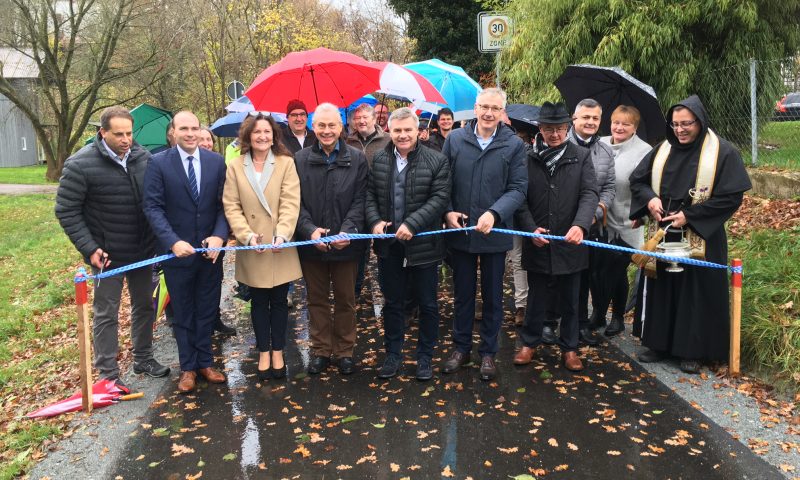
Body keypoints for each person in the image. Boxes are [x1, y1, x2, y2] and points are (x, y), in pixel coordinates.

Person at [629, 95, 751, 374]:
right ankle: (658, 343)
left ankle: (693, 351)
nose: (680, 130)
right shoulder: (662, 150)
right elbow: (638, 180)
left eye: (686, 124)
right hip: (663, 228)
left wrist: (690, 215)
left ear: (700, 121)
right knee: (662, 287)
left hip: (701, 232)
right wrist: (650, 200)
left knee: (695, 291)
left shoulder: (723, 153)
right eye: (675, 124)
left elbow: (731, 197)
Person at [55, 106, 169, 390]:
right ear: (102, 132)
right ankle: (108, 374)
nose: (126, 139)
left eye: (129, 133)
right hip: (106, 255)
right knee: (107, 313)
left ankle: (143, 358)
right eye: (118, 134)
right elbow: (66, 210)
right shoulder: (80, 164)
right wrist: (89, 247)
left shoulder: (144, 158)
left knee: (145, 305)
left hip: (142, 251)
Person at [441, 87, 527, 381]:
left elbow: (518, 188)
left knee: (493, 297)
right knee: (463, 294)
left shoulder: (513, 145)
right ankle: (461, 348)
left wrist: (495, 213)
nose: (489, 113)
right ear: (475, 108)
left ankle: (488, 352)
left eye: (495, 108)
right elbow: (443, 182)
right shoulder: (455, 139)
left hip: (494, 233)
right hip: (462, 232)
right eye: (484, 107)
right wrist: (448, 212)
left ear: (502, 112)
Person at [143, 110, 229, 393]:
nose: (190, 134)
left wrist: (219, 236)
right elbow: (153, 207)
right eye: (184, 129)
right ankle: (188, 367)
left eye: (194, 128)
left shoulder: (216, 162)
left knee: (206, 309)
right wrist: (172, 241)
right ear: (173, 132)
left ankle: (205, 362)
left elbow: (224, 205)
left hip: (209, 254)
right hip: (177, 254)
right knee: (182, 312)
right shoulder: (158, 163)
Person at [366, 107, 451, 381]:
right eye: (397, 130)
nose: (402, 135)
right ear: (389, 131)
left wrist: (412, 224)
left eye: (407, 130)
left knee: (427, 304)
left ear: (418, 131)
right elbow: (370, 196)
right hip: (389, 247)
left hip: (424, 247)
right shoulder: (379, 159)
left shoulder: (436, 160)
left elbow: (439, 198)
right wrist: (374, 221)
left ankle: (425, 357)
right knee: (392, 303)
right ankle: (393, 355)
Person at [513, 102, 598, 372]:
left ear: (567, 128)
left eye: (560, 129)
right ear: (540, 129)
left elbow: (589, 193)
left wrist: (581, 225)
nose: (555, 134)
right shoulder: (527, 158)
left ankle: (570, 348)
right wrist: (530, 228)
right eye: (549, 129)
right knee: (536, 297)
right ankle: (529, 343)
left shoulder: (581, 156)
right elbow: (519, 197)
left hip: (571, 240)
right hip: (538, 239)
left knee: (571, 299)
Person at [223, 114, 302, 381]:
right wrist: (246, 236)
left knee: (279, 301)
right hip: (252, 245)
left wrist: (283, 234)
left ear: (274, 135)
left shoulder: (285, 163)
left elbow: (291, 202)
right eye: (257, 132)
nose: (262, 136)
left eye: (267, 132)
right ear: (248, 135)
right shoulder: (236, 166)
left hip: (279, 244)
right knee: (258, 302)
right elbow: (231, 205)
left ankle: (278, 351)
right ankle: (263, 352)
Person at [295, 103, 368, 376]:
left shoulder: (357, 159)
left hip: (346, 244)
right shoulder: (299, 159)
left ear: (341, 127)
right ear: (313, 127)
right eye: (321, 125)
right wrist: (309, 230)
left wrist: (348, 230)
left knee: (346, 299)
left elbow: (361, 199)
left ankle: (345, 351)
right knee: (316, 300)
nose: (327, 131)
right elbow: (294, 203)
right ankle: (321, 350)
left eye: (332, 125)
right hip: (311, 244)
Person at [558, 98, 616, 347]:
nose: (590, 122)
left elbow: (609, 188)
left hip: (590, 224)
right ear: (574, 119)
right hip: (561, 221)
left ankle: (580, 324)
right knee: (554, 276)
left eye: (595, 118)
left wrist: (594, 214)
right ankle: (549, 322)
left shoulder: (605, 151)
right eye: (586, 117)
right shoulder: (561, 143)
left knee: (583, 278)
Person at [597, 106, 652, 337]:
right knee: (600, 269)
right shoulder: (599, 143)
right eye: (616, 122)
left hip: (628, 220)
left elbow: (649, 185)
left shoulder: (644, 151)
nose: (619, 127)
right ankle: (600, 314)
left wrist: (644, 214)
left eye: (626, 124)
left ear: (635, 128)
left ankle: (616, 316)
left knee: (616, 269)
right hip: (600, 219)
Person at [345, 103, 391, 300]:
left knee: (383, 248)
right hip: (355, 202)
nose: (362, 121)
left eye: (365, 117)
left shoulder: (388, 140)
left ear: (374, 119)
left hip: (381, 202)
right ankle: (355, 290)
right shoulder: (347, 141)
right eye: (358, 118)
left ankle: (387, 289)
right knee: (358, 248)